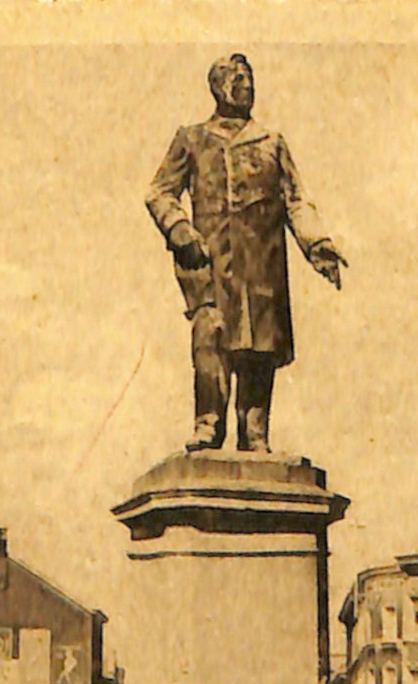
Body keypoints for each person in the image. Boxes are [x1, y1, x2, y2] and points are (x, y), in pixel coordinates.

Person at [146, 54, 346, 453]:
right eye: (236, 79)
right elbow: (160, 192)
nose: (245, 86)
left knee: (259, 346)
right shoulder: (192, 138)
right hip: (210, 263)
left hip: (262, 265)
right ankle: (209, 424)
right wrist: (179, 228)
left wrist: (318, 245)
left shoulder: (271, 143)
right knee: (211, 338)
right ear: (217, 88)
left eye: (249, 79)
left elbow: (297, 201)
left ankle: (255, 432)